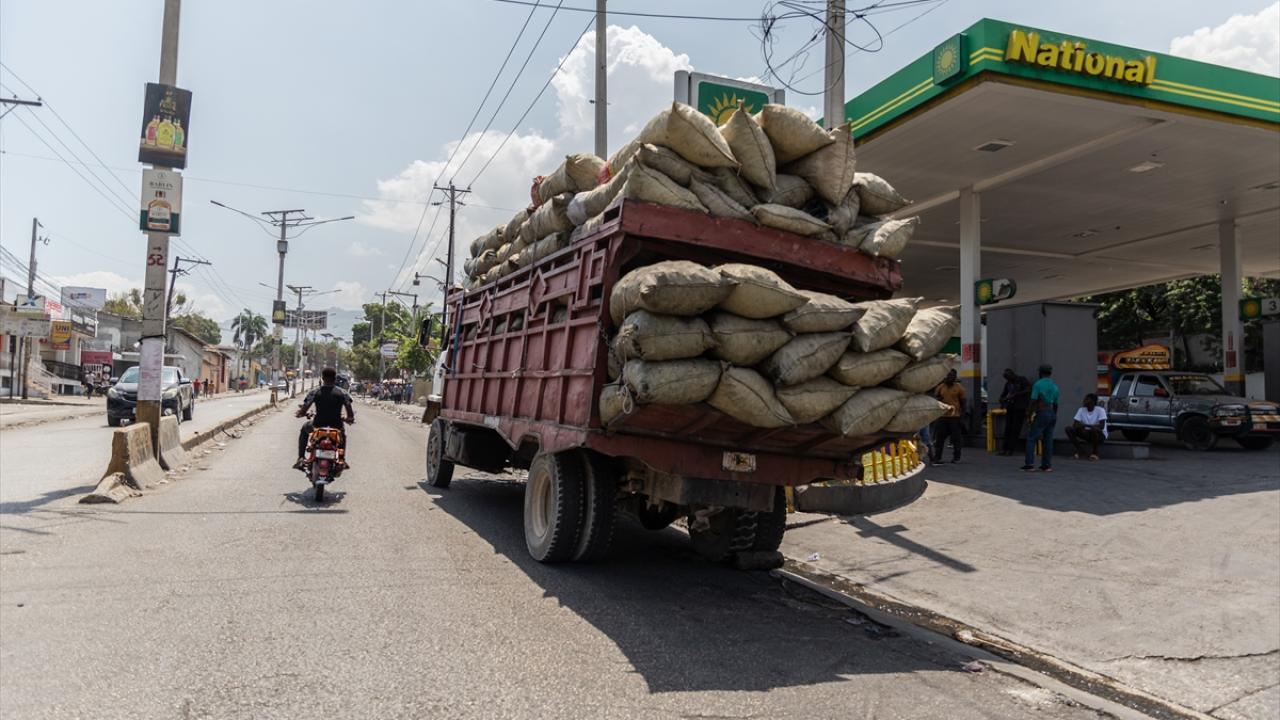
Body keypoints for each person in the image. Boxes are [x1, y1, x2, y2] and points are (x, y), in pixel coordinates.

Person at [294, 367, 356, 470]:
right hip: (336, 426)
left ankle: (301, 457)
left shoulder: (315, 392)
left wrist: (301, 414)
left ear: (322, 378)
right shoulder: (343, 393)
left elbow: (304, 409)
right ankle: (342, 459)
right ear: (335, 378)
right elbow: (350, 413)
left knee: (305, 428)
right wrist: (348, 418)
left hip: (318, 425)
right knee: (342, 437)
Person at [1023, 364, 1061, 472]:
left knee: (1031, 438)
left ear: (1040, 373)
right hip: (1051, 413)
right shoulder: (1055, 385)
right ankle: (1046, 465)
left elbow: (1033, 400)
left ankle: (1029, 464)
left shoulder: (1038, 384)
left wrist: (1029, 413)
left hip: (1042, 413)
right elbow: (1056, 404)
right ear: (1050, 373)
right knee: (1048, 440)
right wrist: (1054, 415)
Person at [931, 369, 967, 464]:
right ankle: (937, 457)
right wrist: (939, 399)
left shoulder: (959, 388)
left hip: (955, 417)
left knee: (956, 438)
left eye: (952, 376)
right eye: (948, 375)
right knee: (939, 438)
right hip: (943, 416)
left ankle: (956, 457)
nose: (949, 377)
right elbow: (936, 399)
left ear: (955, 377)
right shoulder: (940, 387)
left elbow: (963, 403)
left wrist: (962, 417)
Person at [998, 369, 1031, 456]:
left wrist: (1016, 394)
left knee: (1015, 429)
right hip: (1011, 407)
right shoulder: (1008, 383)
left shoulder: (1021, 380)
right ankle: (1004, 448)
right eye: (1006, 378)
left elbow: (1028, 389)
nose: (1008, 380)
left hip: (1020, 407)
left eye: (1008, 377)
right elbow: (1004, 394)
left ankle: (1010, 449)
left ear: (1012, 374)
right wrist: (1002, 399)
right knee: (1008, 428)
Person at [1066, 393, 1108, 460]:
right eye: (1085, 399)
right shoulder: (1081, 410)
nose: (1084, 400)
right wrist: (1081, 427)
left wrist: (1085, 425)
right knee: (1068, 429)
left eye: (1087, 399)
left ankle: (1095, 453)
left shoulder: (1100, 410)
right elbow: (1074, 425)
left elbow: (1101, 426)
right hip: (1087, 433)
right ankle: (1081, 451)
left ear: (1093, 402)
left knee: (1094, 429)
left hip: (1100, 435)